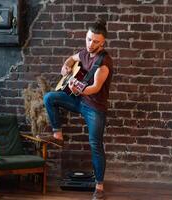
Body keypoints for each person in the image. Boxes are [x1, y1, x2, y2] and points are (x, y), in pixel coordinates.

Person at [38, 18, 113, 200]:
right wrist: (66, 66)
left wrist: (77, 88)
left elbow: (94, 88)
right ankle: (58, 135)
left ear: (102, 42)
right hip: (78, 101)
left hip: (94, 107)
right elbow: (72, 59)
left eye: (95, 41)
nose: (90, 44)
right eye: (88, 39)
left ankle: (99, 187)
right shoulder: (84, 53)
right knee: (49, 97)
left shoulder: (104, 63)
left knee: (95, 145)